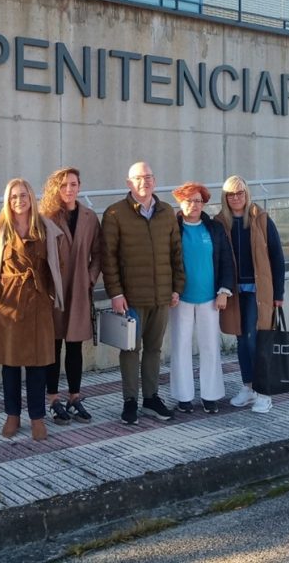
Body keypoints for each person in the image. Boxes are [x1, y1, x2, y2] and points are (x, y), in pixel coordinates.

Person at [0, 178, 64, 441]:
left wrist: (51, 296)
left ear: (31, 198)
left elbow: (54, 265)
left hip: (38, 304)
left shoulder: (44, 227)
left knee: (38, 364)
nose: (19, 200)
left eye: (23, 195)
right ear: (8, 199)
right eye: (14, 196)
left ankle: (37, 418)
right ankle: (12, 416)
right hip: (10, 305)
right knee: (11, 365)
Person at [101, 161, 185, 425]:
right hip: (131, 298)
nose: (144, 182)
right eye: (138, 178)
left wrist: (176, 288)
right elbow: (109, 258)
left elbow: (176, 254)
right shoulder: (115, 214)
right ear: (129, 183)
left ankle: (151, 398)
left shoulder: (167, 212)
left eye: (148, 177)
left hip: (161, 296)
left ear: (155, 181)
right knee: (129, 349)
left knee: (154, 349)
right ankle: (130, 401)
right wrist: (115, 293)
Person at [216, 175, 286, 414]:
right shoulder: (220, 222)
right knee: (241, 339)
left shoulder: (260, 219)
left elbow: (277, 257)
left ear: (247, 194)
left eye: (240, 193)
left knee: (255, 339)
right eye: (231, 195)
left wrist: (279, 292)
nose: (236, 198)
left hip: (259, 291)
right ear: (225, 198)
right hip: (233, 291)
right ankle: (248, 387)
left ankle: (264, 392)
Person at [39, 167, 103, 424]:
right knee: (54, 345)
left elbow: (99, 252)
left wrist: (90, 276)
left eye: (73, 184)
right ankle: (53, 399)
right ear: (56, 187)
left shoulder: (89, 216)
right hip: (55, 291)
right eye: (64, 184)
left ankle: (74, 397)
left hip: (79, 288)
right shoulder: (46, 217)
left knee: (75, 346)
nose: (69, 189)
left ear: (80, 186)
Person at [169, 182, 235, 414]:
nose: (194, 205)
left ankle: (210, 395)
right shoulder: (173, 228)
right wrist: (171, 290)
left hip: (210, 299)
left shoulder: (214, 228)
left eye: (198, 201)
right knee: (181, 346)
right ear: (180, 202)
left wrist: (224, 291)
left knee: (210, 347)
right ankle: (183, 396)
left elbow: (227, 260)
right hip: (181, 299)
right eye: (189, 200)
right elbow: (166, 262)